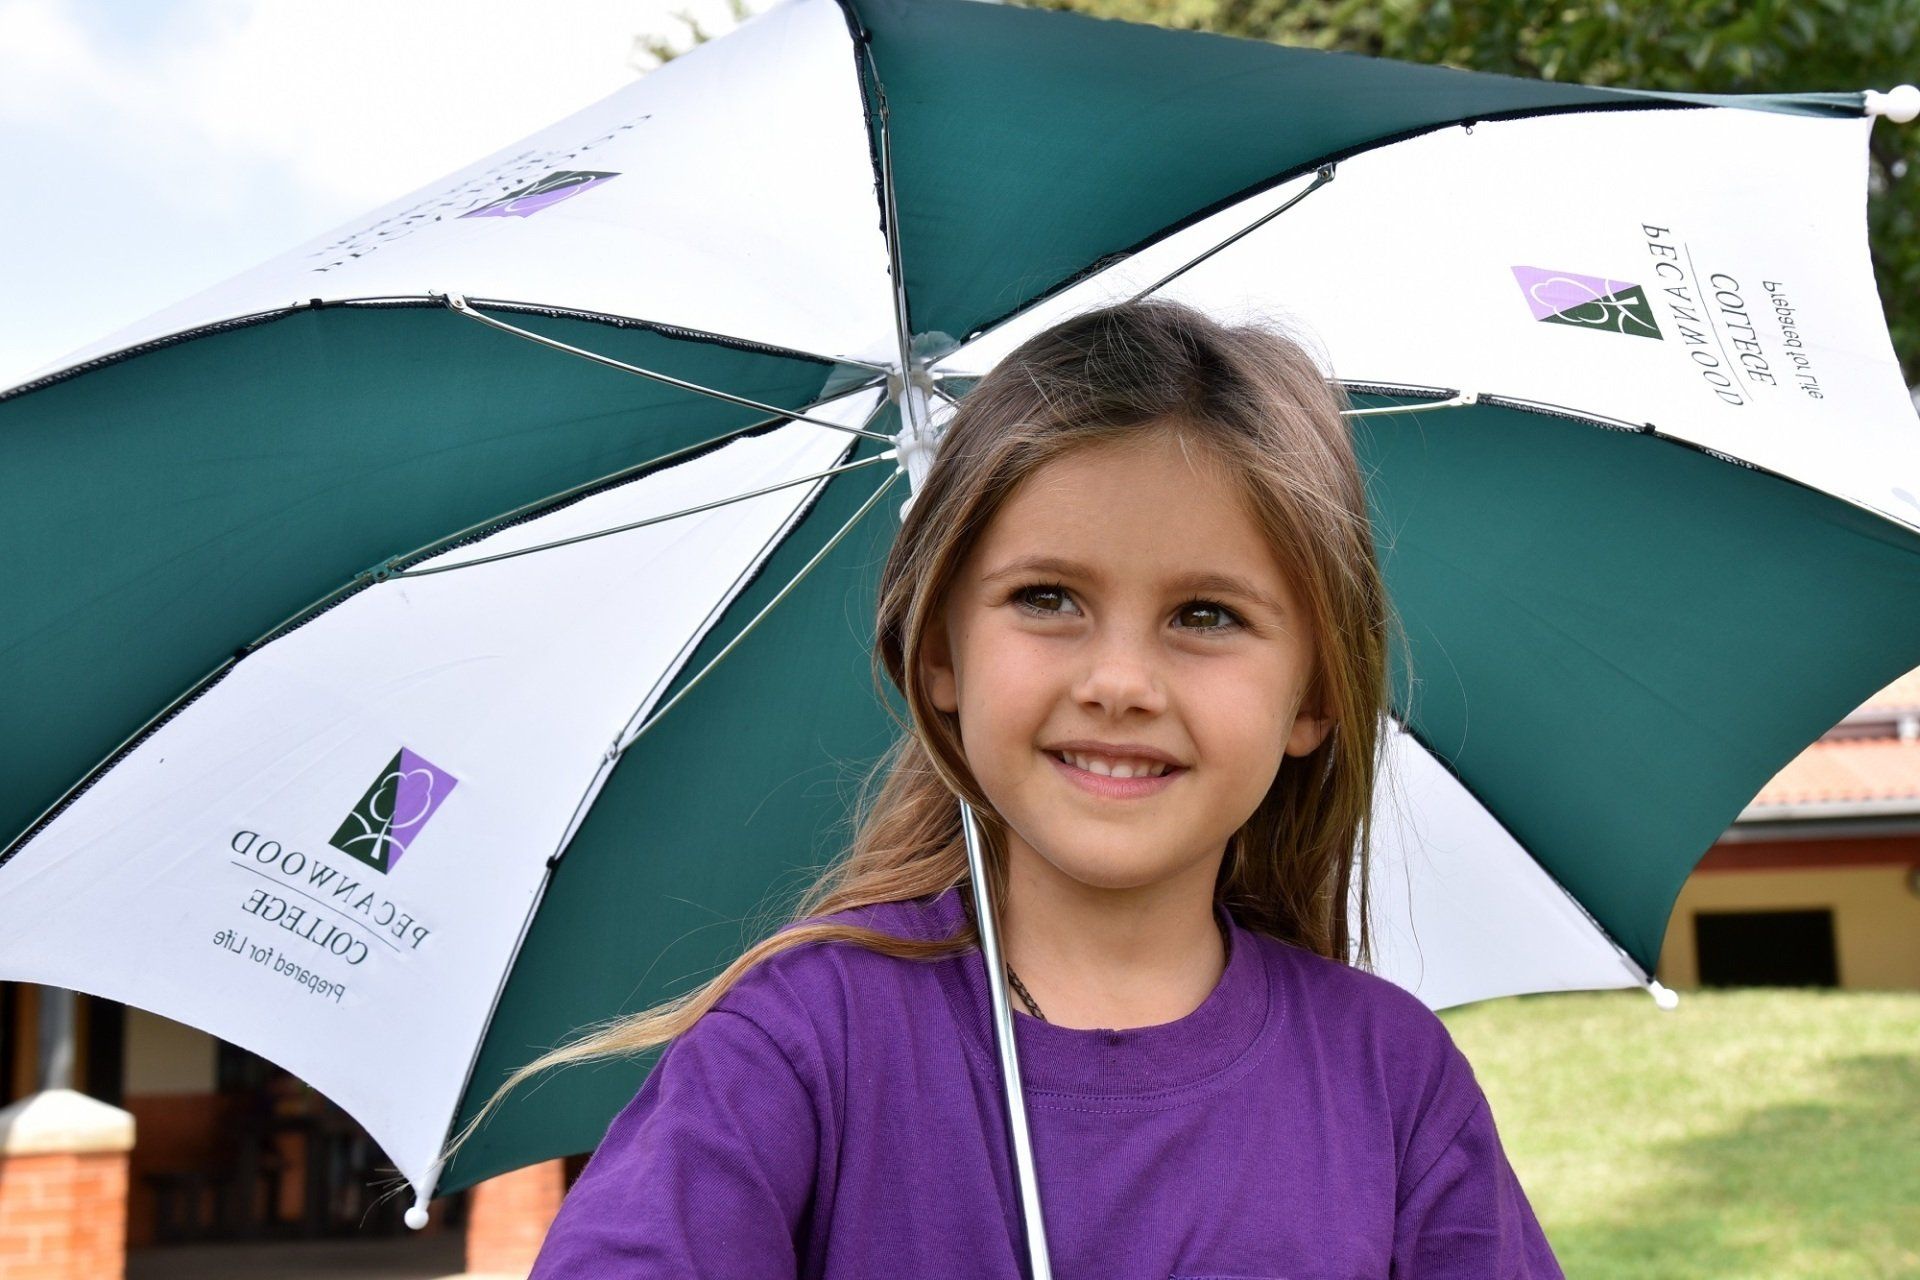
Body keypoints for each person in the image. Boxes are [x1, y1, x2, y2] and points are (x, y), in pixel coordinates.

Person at [449, 296, 1565, 1277]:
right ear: (940, 654)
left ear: (1314, 695)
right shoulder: (795, 1051)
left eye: (1207, 615)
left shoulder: (1391, 1079)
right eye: (1046, 597)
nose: (1120, 681)